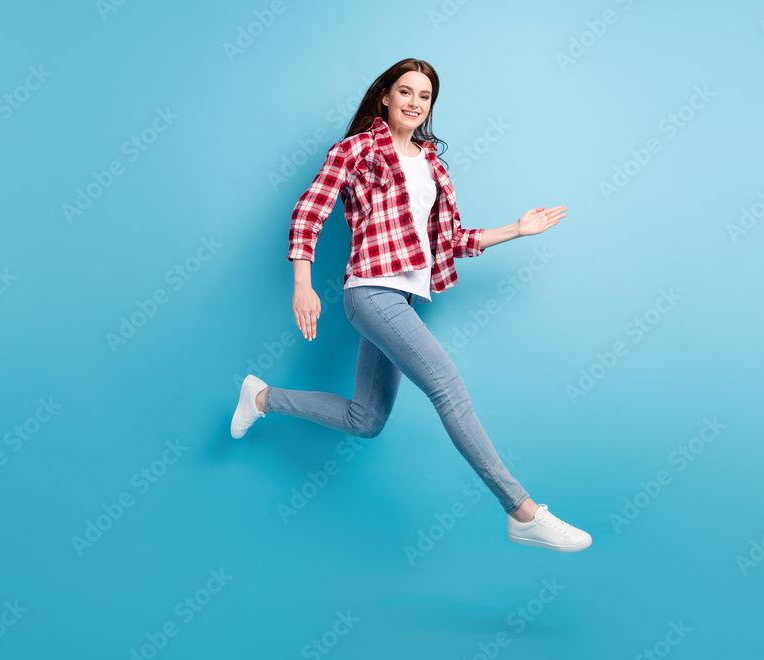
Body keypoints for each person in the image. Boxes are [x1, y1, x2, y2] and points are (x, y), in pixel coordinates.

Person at [231, 58, 591, 552]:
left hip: (399, 298)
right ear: (385, 96)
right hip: (369, 291)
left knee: (367, 420)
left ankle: (261, 397)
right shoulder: (357, 150)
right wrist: (302, 283)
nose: (414, 103)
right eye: (405, 91)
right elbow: (308, 212)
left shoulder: (433, 166)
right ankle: (521, 511)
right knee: (447, 386)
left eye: (424, 97)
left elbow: (449, 239)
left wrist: (515, 229)